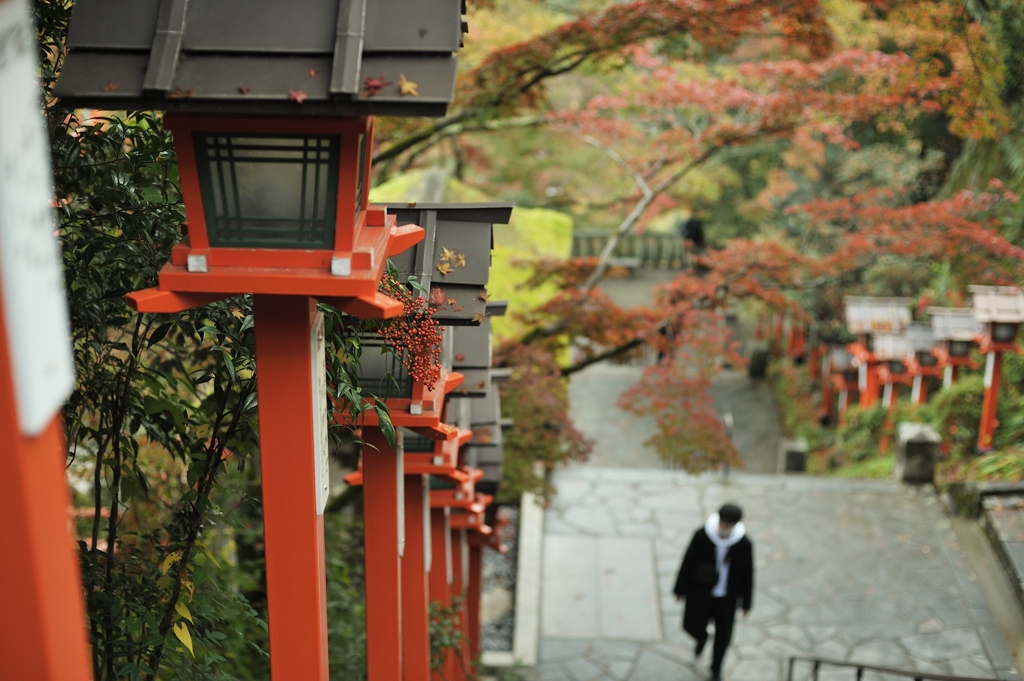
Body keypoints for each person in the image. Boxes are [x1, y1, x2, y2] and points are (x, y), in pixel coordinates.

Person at [673, 503, 754, 681]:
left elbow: (748, 574)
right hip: (701, 593)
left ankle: (716, 668)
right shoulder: (703, 535)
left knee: (723, 637)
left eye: (728, 524)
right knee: (692, 625)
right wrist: (680, 589)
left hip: (727, 598)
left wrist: (746, 603)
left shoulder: (743, 544)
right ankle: (701, 639)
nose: (724, 527)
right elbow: (688, 561)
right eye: (722, 522)